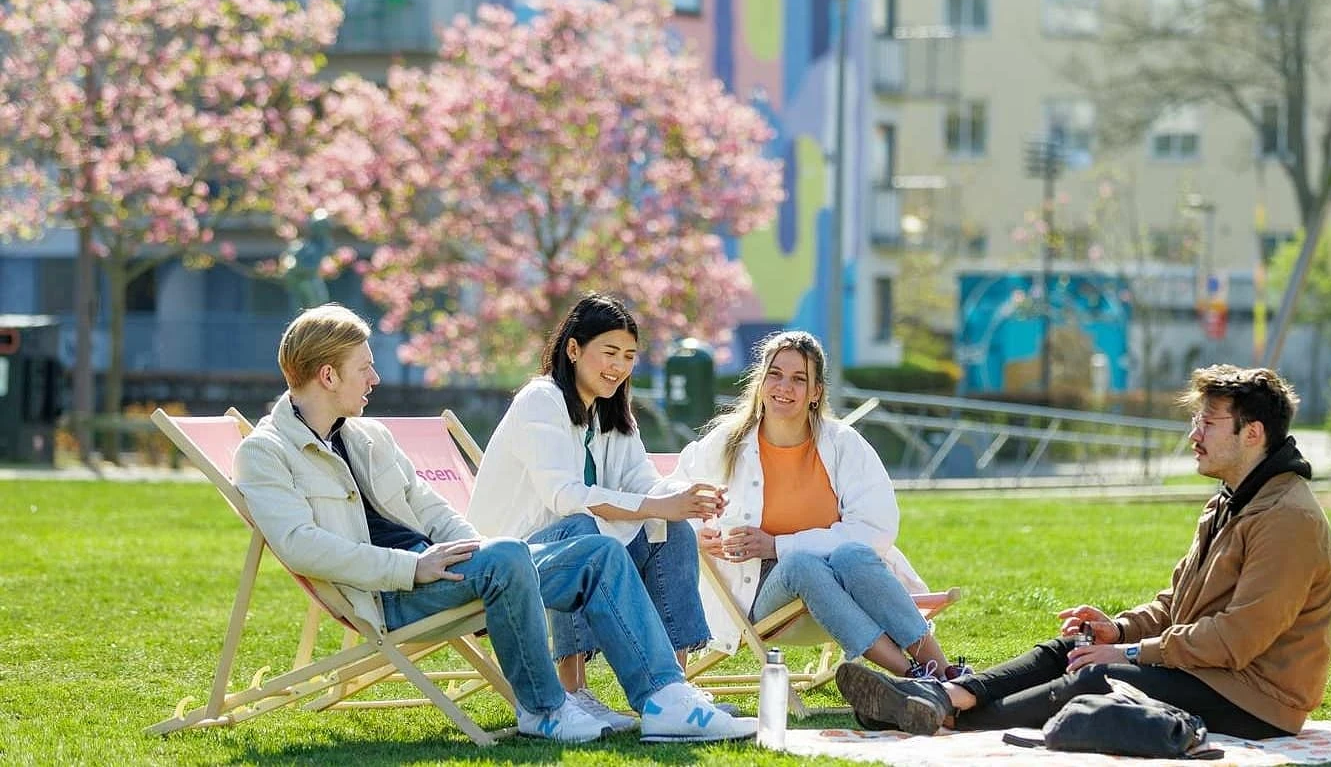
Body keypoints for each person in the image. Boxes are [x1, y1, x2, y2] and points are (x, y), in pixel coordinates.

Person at [234, 304, 755, 744]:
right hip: (393, 591)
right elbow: (302, 547)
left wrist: (477, 550)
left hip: (453, 569)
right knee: (524, 548)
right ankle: (546, 708)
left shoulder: (369, 437)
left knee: (596, 551)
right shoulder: (266, 453)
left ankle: (663, 697)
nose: (375, 378)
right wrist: (413, 567)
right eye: (364, 368)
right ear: (329, 375)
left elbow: (431, 507)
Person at [835, 365, 1331, 741]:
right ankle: (940, 696)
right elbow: (1175, 607)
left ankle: (943, 714)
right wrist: (1115, 630)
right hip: (1210, 671)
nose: (1193, 435)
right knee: (1070, 650)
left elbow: (1237, 639)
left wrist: (1128, 652)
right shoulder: (1228, 502)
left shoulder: (1287, 518)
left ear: (1252, 434)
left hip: (1257, 700)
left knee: (1097, 675)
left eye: (1208, 423)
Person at [468, 292, 725, 732]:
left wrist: (685, 498)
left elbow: (643, 480)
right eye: (609, 352)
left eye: (629, 356)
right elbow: (563, 496)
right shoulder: (541, 400)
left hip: (575, 543)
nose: (619, 366)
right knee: (582, 529)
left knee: (673, 528)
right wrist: (655, 504)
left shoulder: (609, 412)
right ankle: (574, 689)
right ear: (573, 349)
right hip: (509, 558)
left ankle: (673, 690)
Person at [665, 330, 961, 682]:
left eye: (798, 379)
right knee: (802, 564)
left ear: (816, 392)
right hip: (764, 595)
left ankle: (946, 672)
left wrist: (777, 544)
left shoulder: (844, 444)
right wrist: (699, 533)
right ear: (761, 382)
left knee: (853, 554)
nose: (783, 387)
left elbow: (876, 528)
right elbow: (673, 490)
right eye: (774, 374)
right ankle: (915, 676)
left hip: (848, 584)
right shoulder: (727, 442)